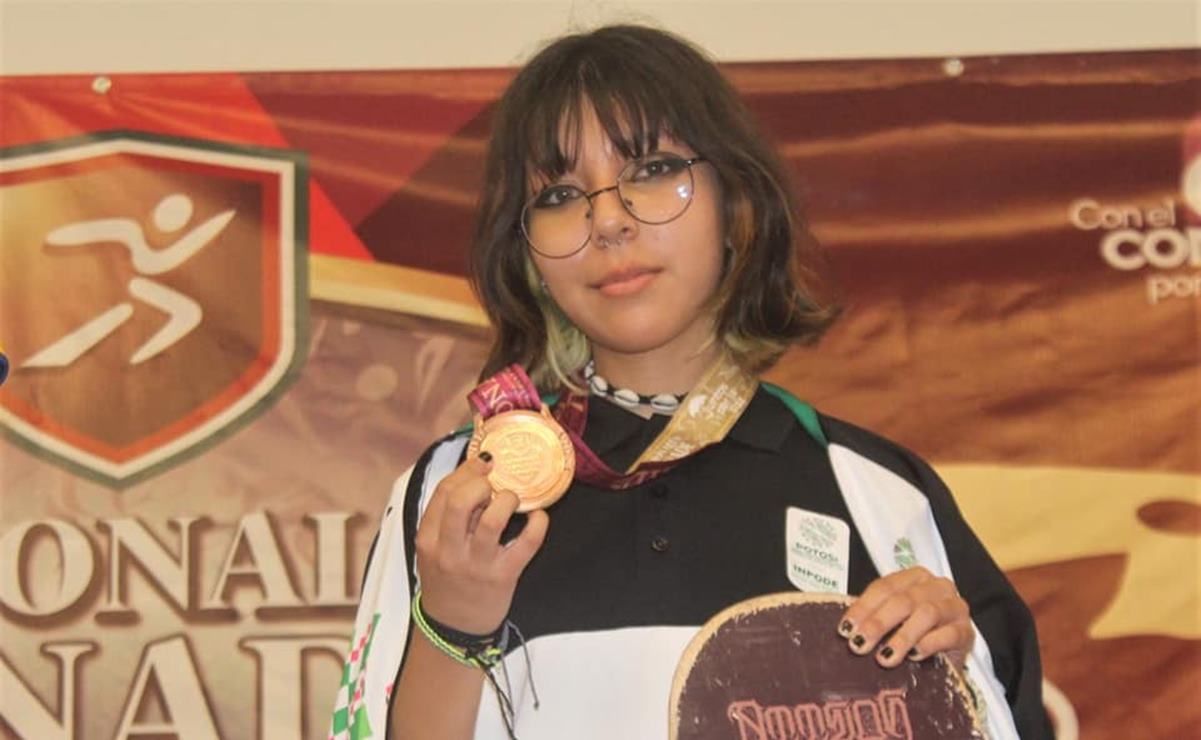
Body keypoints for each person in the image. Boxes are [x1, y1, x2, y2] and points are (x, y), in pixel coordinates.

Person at [330, 24, 1052, 740]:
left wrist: (947, 692)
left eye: (651, 170)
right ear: (526, 255)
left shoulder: (880, 494)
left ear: (736, 204)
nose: (607, 221)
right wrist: (452, 624)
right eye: (559, 196)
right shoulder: (461, 493)